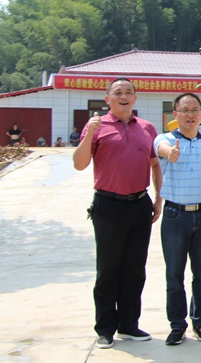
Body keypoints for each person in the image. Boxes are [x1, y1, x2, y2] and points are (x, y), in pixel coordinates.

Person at [72, 78, 162, 349]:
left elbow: (155, 165)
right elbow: (79, 164)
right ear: (107, 99)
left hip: (140, 204)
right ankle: (105, 328)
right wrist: (90, 134)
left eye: (128, 92)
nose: (124, 97)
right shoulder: (97, 125)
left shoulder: (146, 128)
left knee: (135, 268)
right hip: (108, 206)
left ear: (135, 98)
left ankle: (129, 324)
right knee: (108, 269)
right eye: (118, 93)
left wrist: (158, 198)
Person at [155, 93, 201, 346]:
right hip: (175, 216)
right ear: (175, 115)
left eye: (195, 110)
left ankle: (200, 322)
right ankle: (177, 326)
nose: (190, 114)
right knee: (174, 274)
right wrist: (171, 153)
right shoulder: (165, 139)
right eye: (185, 110)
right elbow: (161, 150)